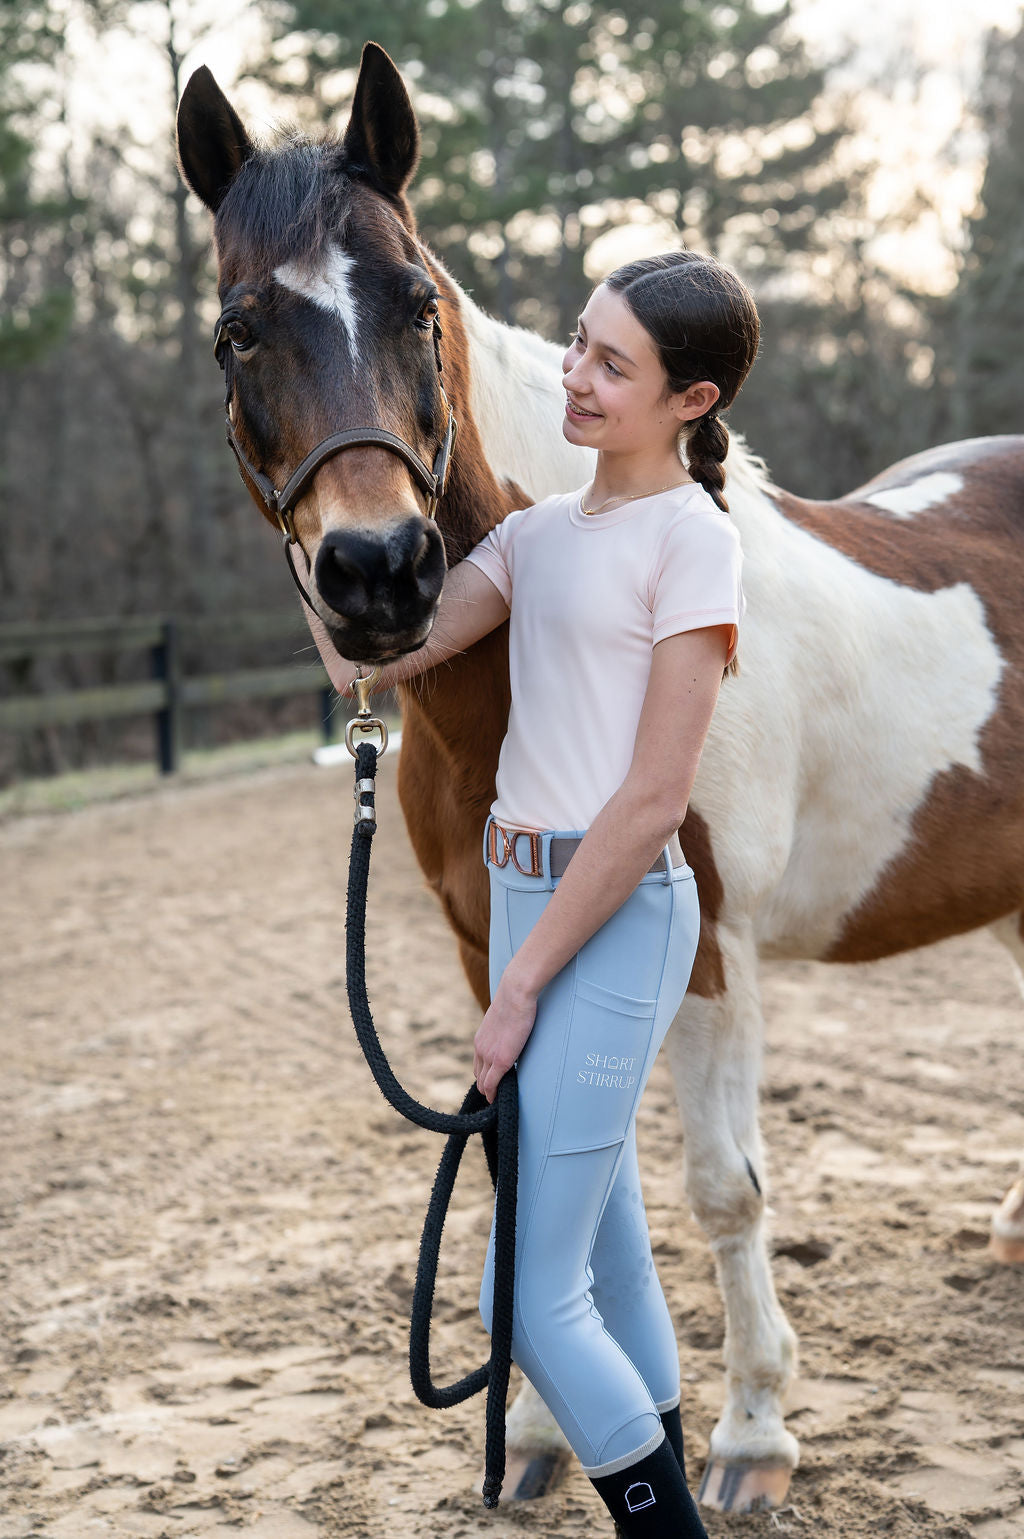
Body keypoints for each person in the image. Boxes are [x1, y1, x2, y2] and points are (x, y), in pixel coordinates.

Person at [305, 249, 760, 1536]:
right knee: (605, 1257)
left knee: (523, 1301)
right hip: (527, 903)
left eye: (613, 365)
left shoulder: (693, 546)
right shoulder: (535, 534)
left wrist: (516, 989)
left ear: (690, 400)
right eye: (577, 343)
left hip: (614, 919)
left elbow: (651, 803)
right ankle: (664, 1478)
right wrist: (310, 496)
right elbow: (367, 659)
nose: (575, 376)